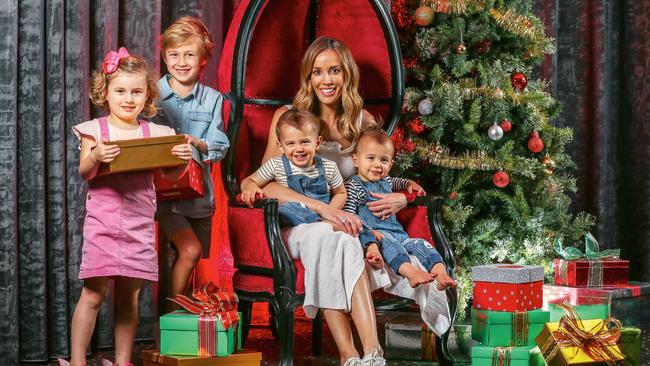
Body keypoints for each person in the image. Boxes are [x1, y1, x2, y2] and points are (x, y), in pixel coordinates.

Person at [255, 36, 405, 366]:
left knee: (346, 244)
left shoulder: (363, 121)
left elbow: (378, 175)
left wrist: (401, 198)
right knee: (332, 240)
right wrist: (322, 210)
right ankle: (352, 353)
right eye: (318, 72)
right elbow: (264, 184)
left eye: (334, 71)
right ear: (308, 77)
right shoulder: (288, 118)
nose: (326, 80)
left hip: (346, 222)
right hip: (298, 223)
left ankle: (368, 355)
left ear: (346, 74)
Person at [65, 48, 189, 366]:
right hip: (102, 225)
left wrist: (180, 162)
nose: (128, 98)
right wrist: (95, 156)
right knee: (93, 294)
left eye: (136, 91)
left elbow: (169, 175)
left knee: (129, 296)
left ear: (147, 94)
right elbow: (84, 171)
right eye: (120, 91)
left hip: (138, 226)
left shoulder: (156, 133)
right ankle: (78, 361)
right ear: (105, 93)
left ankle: (122, 361)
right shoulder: (94, 131)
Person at [154, 16, 229, 304]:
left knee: (191, 263)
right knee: (189, 251)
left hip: (200, 198)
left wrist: (197, 144)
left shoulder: (213, 99)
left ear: (203, 60)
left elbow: (219, 146)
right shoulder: (153, 94)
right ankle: (171, 321)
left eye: (189, 54)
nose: (181, 61)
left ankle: (180, 327)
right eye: (174, 54)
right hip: (164, 196)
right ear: (164, 57)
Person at [344, 128, 457, 290]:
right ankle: (411, 273)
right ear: (356, 160)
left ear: (390, 165)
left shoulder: (387, 181)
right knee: (389, 245)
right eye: (370, 158)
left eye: (383, 160)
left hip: (400, 235)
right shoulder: (354, 185)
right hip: (376, 236)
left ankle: (441, 274)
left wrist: (409, 183)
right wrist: (367, 232)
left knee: (421, 244)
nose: (377, 165)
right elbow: (349, 215)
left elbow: (398, 181)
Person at [240, 109, 347, 228]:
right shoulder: (275, 165)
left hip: (323, 218)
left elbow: (341, 192)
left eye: (305, 142)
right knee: (286, 209)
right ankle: (319, 224)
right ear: (280, 146)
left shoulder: (329, 167)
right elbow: (248, 180)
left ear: (317, 143)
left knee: (357, 224)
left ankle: (322, 224)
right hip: (294, 221)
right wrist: (250, 186)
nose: (299, 149)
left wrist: (330, 211)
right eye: (291, 144)